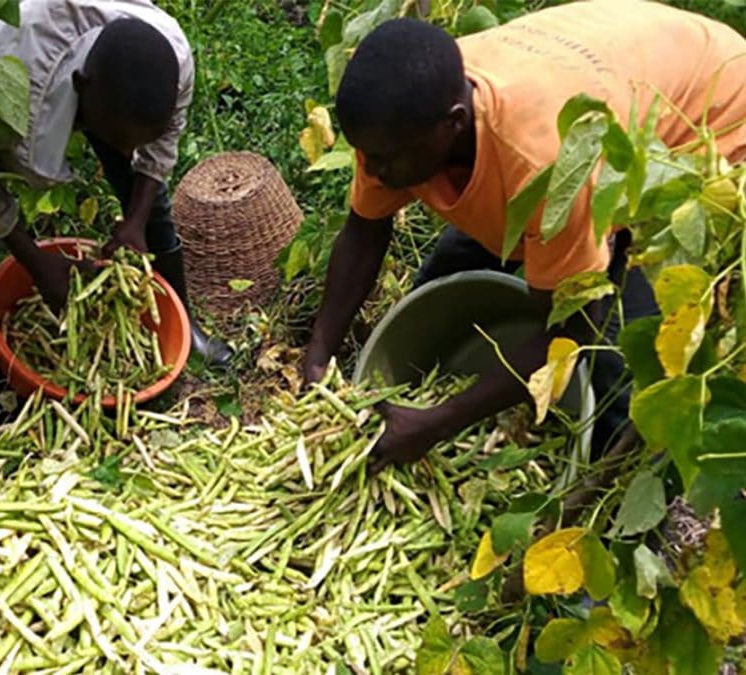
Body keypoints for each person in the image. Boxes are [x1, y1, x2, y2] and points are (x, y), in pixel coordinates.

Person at [303, 0, 746, 468]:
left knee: (616, 359)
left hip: (706, 117)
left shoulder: (543, 164)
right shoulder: (401, 113)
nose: (371, 169)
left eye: (385, 159)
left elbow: (573, 325)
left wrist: (441, 421)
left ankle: (607, 490)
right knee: (445, 281)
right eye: (365, 154)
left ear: (453, 124)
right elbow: (365, 230)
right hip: (619, 60)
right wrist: (319, 354)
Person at [0, 1, 236, 427]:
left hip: (101, 83)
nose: (127, 150)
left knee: (144, 193)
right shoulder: (0, 90)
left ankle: (183, 319)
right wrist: (33, 260)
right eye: (115, 137)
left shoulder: (170, 54)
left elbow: (158, 149)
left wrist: (135, 220)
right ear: (81, 87)